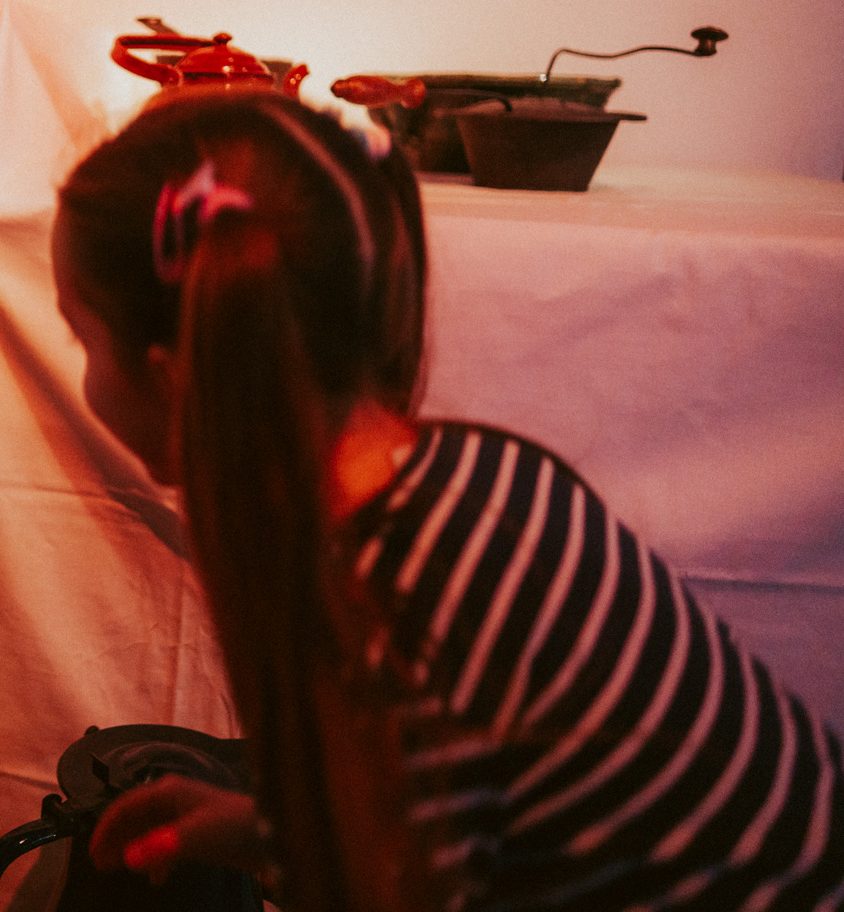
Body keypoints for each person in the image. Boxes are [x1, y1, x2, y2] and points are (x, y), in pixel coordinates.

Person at [52, 91, 844, 911]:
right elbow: (492, 823)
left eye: (83, 339)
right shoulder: (477, 473)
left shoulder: (386, 619)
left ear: (172, 381)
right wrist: (271, 830)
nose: (86, 380)